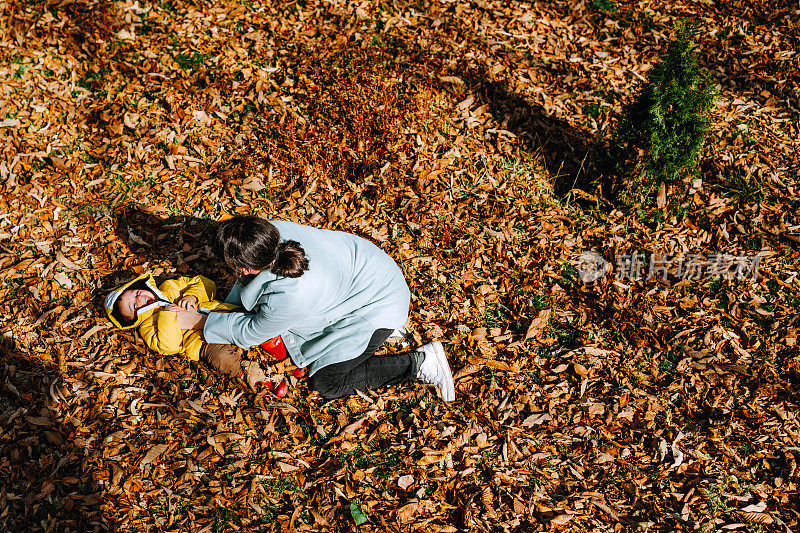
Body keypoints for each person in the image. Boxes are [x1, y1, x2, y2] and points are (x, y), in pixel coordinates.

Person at [173, 216, 455, 402]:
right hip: (369, 268)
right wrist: (220, 306)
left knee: (327, 382)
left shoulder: (291, 294)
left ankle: (419, 362)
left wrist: (201, 322)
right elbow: (246, 289)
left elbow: (251, 333)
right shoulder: (269, 234)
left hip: (378, 301)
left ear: (246, 267)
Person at [105, 273, 287, 395]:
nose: (140, 299)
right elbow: (169, 346)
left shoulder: (170, 287)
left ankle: (281, 350)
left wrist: (192, 297)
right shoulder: (148, 326)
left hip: (219, 313)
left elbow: (204, 283)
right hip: (204, 341)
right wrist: (168, 315)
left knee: (252, 319)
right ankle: (254, 376)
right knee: (222, 358)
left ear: (141, 285)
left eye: (136, 293)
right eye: (135, 306)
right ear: (134, 318)